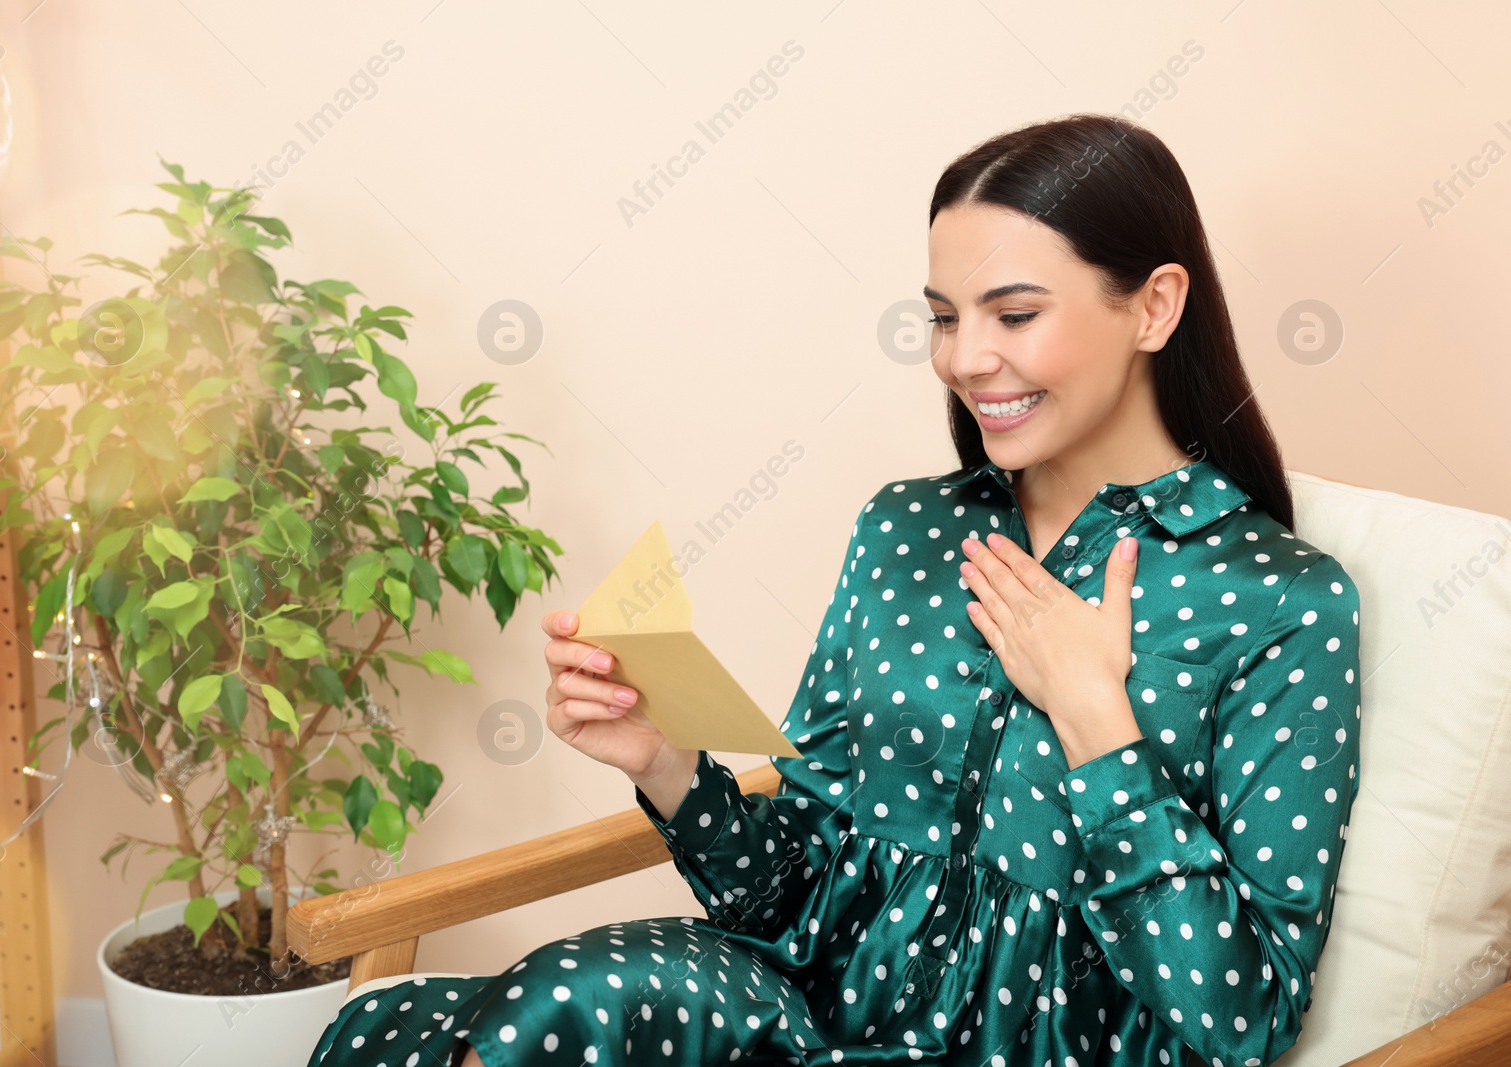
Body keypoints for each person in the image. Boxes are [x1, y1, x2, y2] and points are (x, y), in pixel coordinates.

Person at [308, 112, 1362, 1067]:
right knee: (565, 1004)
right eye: (945, 317)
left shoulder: (1282, 602)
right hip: (803, 1011)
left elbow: (1240, 1020)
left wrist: (1094, 716)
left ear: (1154, 306)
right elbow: (791, 894)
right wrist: (667, 763)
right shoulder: (908, 528)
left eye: (1015, 312)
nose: (967, 357)